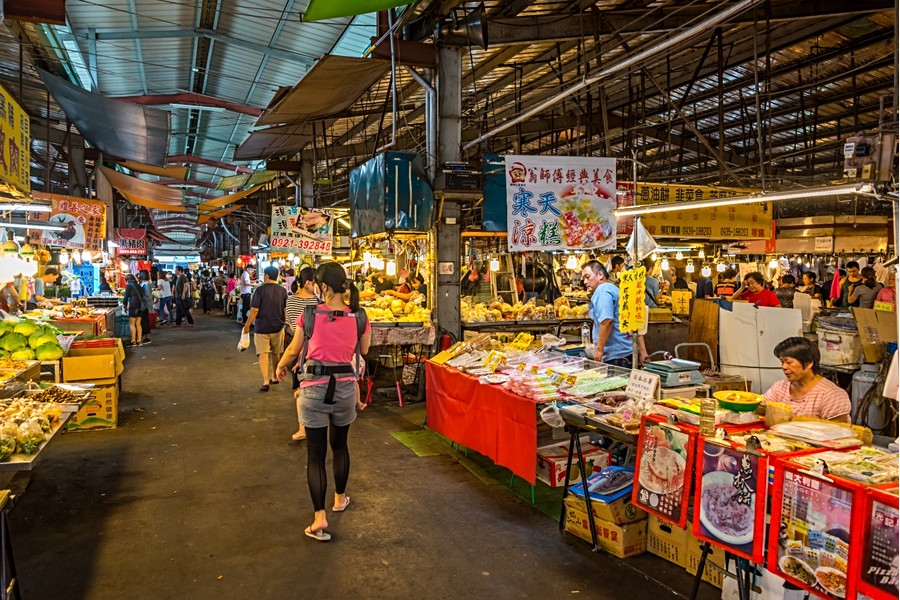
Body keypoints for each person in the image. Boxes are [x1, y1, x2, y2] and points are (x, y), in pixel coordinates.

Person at [275, 262, 371, 542]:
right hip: (344, 390)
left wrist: (281, 366)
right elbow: (363, 351)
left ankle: (319, 518)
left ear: (323, 287)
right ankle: (340, 499)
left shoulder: (310, 313)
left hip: (314, 389)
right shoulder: (360, 316)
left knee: (315, 456)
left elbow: (295, 348)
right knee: (340, 446)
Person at [763, 337, 851, 422]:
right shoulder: (779, 388)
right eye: (782, 362)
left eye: (788, 362)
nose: (784, 367)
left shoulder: (831, 395)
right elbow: (761, 407)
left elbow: (839, 431)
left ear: (808, 363)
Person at [284, 267, 319, 441]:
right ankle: (304, 427)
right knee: (304, 388)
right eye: (317, 282)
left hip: (301, 347)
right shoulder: (317, 302)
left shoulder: (292, 301)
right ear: (308, 283)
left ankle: (304, 427)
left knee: (303, 388)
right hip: (309, 348)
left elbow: (291, 326)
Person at [243, 266, 288, 392]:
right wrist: (284, 322)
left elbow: (255, 310)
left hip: (262, 327)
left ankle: (266, 381)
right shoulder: (282, 290)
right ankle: (274, 376)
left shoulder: (260, 290)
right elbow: (285, 309)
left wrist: (247, 326)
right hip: (278, 327)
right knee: (276, 353)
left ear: (267, 276)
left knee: (263, 353)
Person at [581, 261, 633, 367]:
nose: (585, 282)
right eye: (583, 279)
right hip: (625, 353)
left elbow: (607, 320)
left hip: (616, 357)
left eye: (587, 277)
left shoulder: (603, 290)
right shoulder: (614, 288)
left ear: (600, 275)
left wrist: (599, 351)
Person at [122, 274, 144, 347]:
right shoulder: (139, 285)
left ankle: (133, 341)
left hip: (133, 305)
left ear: (127, 280)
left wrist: (125, 305)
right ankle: (139, 341)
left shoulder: (129, 285)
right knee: (138, 323)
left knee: (132, 323)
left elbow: (125, 297)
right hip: (140, 306)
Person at [138, 270, 153, 345]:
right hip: (144, 305)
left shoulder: (146, 284)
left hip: (145, 306)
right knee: (144, 321)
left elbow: (148, 296)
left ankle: (148, 338)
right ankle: (146, 337)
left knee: (145, 321)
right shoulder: (144, 283)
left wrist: (141, 300)